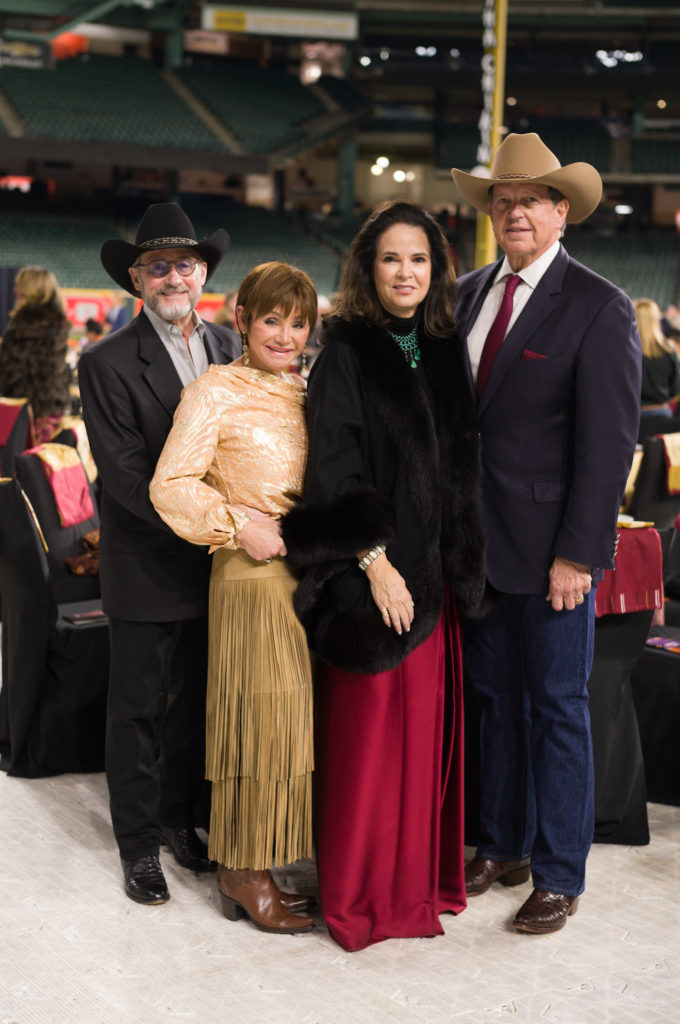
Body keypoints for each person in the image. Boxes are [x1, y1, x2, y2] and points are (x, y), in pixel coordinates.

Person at [282, 200, 487, 951]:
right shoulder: (346, 352)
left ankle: (413, 886)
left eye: (420, 259)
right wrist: (375, 566)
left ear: (437, 271)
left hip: (436, 584)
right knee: (369, 748)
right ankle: (361, 896)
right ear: (369, 268)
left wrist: (457, 564)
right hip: (373, 586)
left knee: (420, 745)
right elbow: (333, 473)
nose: (406, 272)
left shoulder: (441, 346)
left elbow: (463, 470)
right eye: (392, 258)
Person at [451, 132, 641, 934]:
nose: (515, 210)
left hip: (553, 554)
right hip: (475, 548)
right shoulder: (464, 294)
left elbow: (608, 446)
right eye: (504, 198)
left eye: (531, 198)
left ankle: (560, 870)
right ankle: (501, 840)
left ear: (562, 212)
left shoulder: (599, 304)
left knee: (558, 708)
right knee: (493, 701)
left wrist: (579, 553)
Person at [150, 262, 317, 935]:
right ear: (242, 318)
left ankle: (265, 864)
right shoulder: (214, 390)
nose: (285, 333)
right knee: (255, 725)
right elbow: (170, 484)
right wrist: (237, 523)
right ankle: (242, 871)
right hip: (248, 576)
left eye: (298, 322)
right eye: (272, 318)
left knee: (286, 731)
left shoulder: (304, 391)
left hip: (305, 580)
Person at [78, 203, 237, 905]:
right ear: (136, 279)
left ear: (203, 272)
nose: (174, 276)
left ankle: (180, 821)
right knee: (138, 708)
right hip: (149, 559)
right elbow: (125, 476)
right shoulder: (106, 362)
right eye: (158, 266)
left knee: (198, 703)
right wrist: (223, 523)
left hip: (219, 566)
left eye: (185, 264)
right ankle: (138, 845)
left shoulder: (234, 347)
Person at [0, 266, 71, 443]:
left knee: (20, 462)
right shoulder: (57, 320)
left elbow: (13, 369)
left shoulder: (25, 322)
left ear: (32, 289)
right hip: (51, 404)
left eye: (20, 286)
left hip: (26, 408)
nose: (15, 290)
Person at [635, 297, 680, 417]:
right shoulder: (669, 351)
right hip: (660, 415)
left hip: (629, 414)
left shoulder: (622, 350)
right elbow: (675, 392)